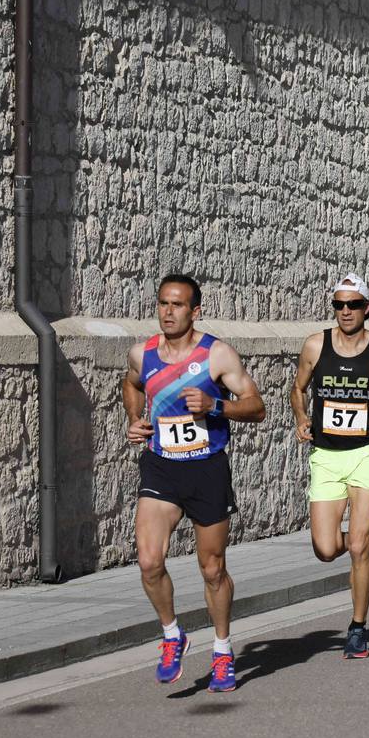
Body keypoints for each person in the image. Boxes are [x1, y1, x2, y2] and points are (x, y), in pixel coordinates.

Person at [123, 275, 266, 692]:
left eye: (178, 305)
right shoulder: (142, 353)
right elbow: (131, 384)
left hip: (206, 469)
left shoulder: (216, 355)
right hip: (162, 467)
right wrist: (134, 419)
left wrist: (215, 405)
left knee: (212, 568)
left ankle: (222, 651)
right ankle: (172, 636)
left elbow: (257, 407)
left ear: (194, 310)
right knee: (150, 562)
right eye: (163, 303)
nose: (168, 312)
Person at [291, 273, 369, 659]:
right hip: (325, 456)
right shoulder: (315, 345)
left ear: (367, 308)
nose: (345, 311)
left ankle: (358, 628)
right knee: (326, 549)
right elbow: (298, 388)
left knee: (356, 543)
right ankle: (368, 553)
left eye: (353, 304)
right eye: (339, 304)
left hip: (366, 453)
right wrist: (300, 418)